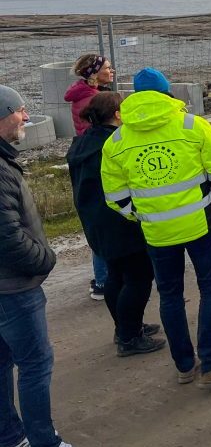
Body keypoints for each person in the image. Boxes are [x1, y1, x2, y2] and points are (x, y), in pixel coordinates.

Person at [101, 68, 211, 388]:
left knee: (170, 295)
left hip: (157, 233)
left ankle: (185, 365)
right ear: (167, 93)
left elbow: (115, 197)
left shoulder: (117, 140)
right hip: (201, 223)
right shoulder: (193, 125)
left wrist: (143, 215)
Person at [0, 85, 74, 447]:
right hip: (13, 289)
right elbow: (6, 236)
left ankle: (9, 436)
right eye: (20, 110)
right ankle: (44, 441)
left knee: (2, 364)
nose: (26, 117)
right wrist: (45, 258)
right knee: (35, 365)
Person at [66, 92, 164, 357]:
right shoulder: (114, 144)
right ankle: (129, 337)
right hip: (119, 220)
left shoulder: (83, 142)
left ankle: (126, 326)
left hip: (95, 221)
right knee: (139, 277)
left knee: (116, 276)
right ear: (118, 114)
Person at [64, 53, 114, 301]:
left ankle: (104, 278)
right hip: (98, 162)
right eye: (106, 67)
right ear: (94, 73)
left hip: (88, 158)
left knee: (99, 224)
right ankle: (104, 281)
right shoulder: (92, 99)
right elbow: (100, 134)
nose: (111, 70)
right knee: (104, 224)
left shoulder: (83, 93)